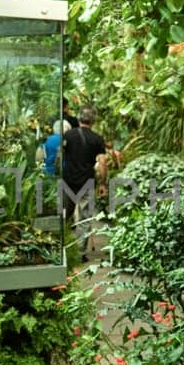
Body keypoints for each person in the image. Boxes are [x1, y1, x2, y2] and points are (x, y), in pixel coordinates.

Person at [60, 105, 107, 256]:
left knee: (65, 215)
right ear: (93, 121)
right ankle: (79, 253)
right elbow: (102, 163)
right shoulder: (98, 139)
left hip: (67, 181)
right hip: (87, 182)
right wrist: (102, 184)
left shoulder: (68, 136)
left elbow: (59, 156)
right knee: (84, 218)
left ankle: (63, 249)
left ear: (79, 118)